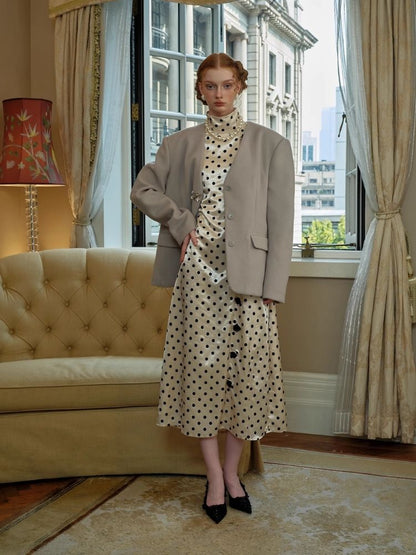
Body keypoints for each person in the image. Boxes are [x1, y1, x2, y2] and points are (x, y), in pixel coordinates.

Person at [130, 53, 295, 524]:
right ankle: (215, 479)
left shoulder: (271, 145)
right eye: (210, 85)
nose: (218, 94)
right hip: (198, 275)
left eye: (226, 85)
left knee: (247, 376)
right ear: (199, 90)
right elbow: (142, 190)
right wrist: (181, 222)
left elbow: (282, 222)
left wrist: (273, 284)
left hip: (251, 279)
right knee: (202, 374)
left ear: (240, 87)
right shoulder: (179, 144)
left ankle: (233, 472)